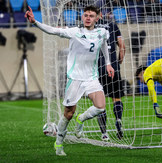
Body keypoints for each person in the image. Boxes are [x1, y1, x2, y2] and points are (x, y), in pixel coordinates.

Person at [25, 5, 114, 156]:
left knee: (100, 107)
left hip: (91, 77)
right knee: (68, 113)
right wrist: (35, 22)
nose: (87, 18)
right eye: (85, 15)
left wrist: (108, 63)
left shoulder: (102, 32)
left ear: (97, 18)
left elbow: (104, 45)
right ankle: (59, 143)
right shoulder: (75, 32)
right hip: (75, 78)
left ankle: (81, 119)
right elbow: (53, 30)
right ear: (82, 16)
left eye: (91, 16)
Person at [96, 11, 125, 140]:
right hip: (113, 68)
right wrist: (119, 60)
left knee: (100, 103)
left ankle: (104, 133)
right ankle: (118, 120)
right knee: (116, 98)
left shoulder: (90, 26)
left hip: (97, 68)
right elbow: (122, 45)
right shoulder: (113, 25)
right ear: (102, 14)